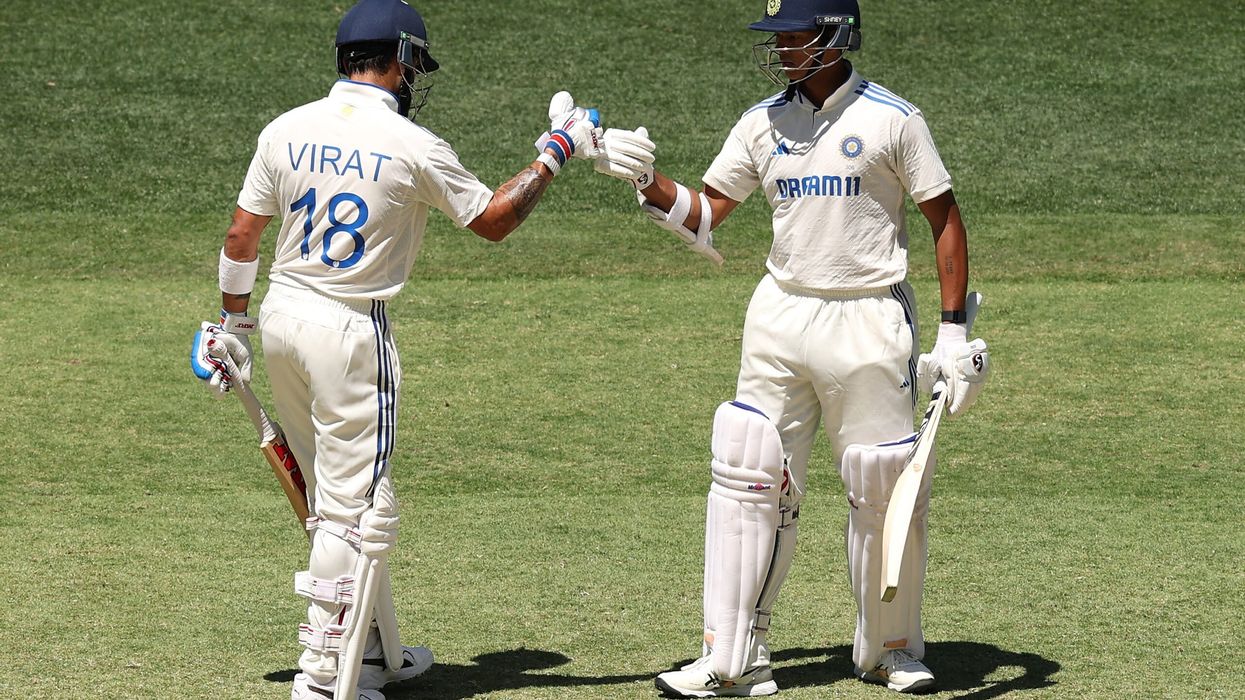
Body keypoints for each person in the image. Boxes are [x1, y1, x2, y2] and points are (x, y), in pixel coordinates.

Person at [188, 1, 602, 698]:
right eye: (414, 66)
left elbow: (239, 239)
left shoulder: (285, 128)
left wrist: (230, 327)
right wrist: (556, 150)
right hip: (350, 333)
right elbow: (493, 221)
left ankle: (376, 650)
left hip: (283, 318)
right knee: (355, 512)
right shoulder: (413, 145)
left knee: (333, 499)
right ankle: (323, 676)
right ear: (400, 60)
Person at [591, 0, 990, 695]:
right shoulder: (759, 122)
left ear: (835, 33)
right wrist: (639, 178)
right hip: (778, 315)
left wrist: (952, 331)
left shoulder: (894, 118)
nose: (780, 48)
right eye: (775, 37)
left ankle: (888, 648)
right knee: (748, 479)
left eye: (793, 34)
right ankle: (732, 659)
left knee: (882, 485)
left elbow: (943, 219)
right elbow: (707, 214)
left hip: (869, 316)